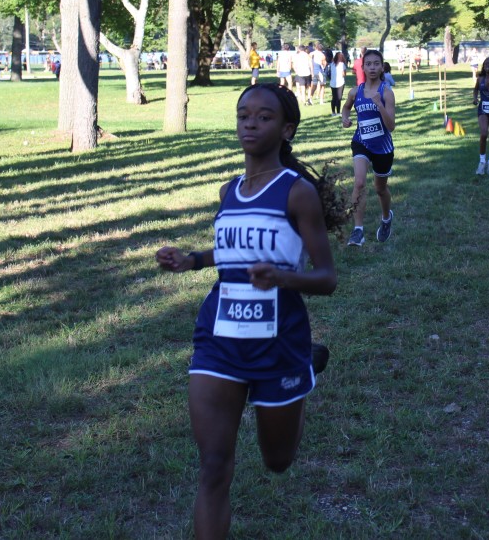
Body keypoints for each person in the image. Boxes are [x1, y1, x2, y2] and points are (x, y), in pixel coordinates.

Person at [156, 83, 344, 540]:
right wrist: (192, 260)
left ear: (286, 129)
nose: (250, 124)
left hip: (278, 343)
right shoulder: (228, 191)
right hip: (219, 340)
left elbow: (327, 278)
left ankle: (304, 367)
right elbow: (231, 251)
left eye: (263, 117)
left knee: (277, 461)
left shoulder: (297, 194)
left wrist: (282, 278)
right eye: (244, 116)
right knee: (213, 466)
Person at [341, 49, 396, 246]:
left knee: (380, 189)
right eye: (368, 64)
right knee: (359, 183)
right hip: (361, 142)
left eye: (376, 64)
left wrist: (379, 105)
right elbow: (346, 107)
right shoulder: (355, 92)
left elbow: (391, 126)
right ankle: (358, 230)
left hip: (382, 147)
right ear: (362, 67)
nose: (372, 67)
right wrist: (345, 118)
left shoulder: (387, 93)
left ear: (382, 67)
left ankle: (386, 217)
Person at [330, 52, 346, 116]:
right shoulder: (342, 64)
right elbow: (344, 74)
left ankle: (333, 112)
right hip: (340, 82)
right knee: (339, 98)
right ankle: (338, 112)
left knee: (334, 98)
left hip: (333, 83)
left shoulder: (332, 64)